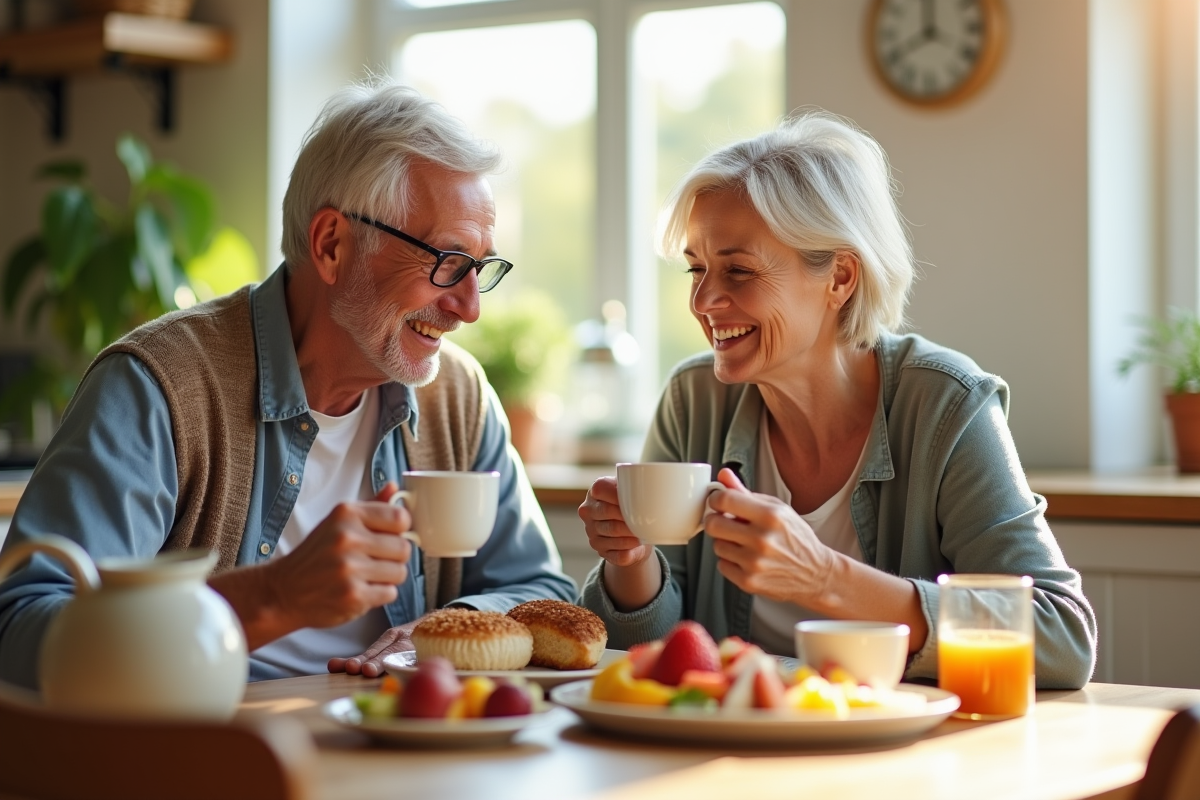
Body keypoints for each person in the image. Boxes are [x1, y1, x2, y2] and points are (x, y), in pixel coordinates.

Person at [0, 82, 576, 688]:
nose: (468, 308)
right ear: (331, 245)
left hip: (399, 751)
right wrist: (271, 597)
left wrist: (451, 628)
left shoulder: (457, 397)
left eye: (479, 270)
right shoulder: (158, 387)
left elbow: (542, 591)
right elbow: (21, 628)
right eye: (448, 262)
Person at [578, 110, 1097, 688]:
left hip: (895, 750)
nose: (703, 300)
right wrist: (632, 563)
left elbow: (1061, 637)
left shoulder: (945, 405)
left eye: (739, 272)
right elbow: (645, 653)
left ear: (840, 278)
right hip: (730, 747)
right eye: (696, 269)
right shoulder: (692, 399)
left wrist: (824, 576)